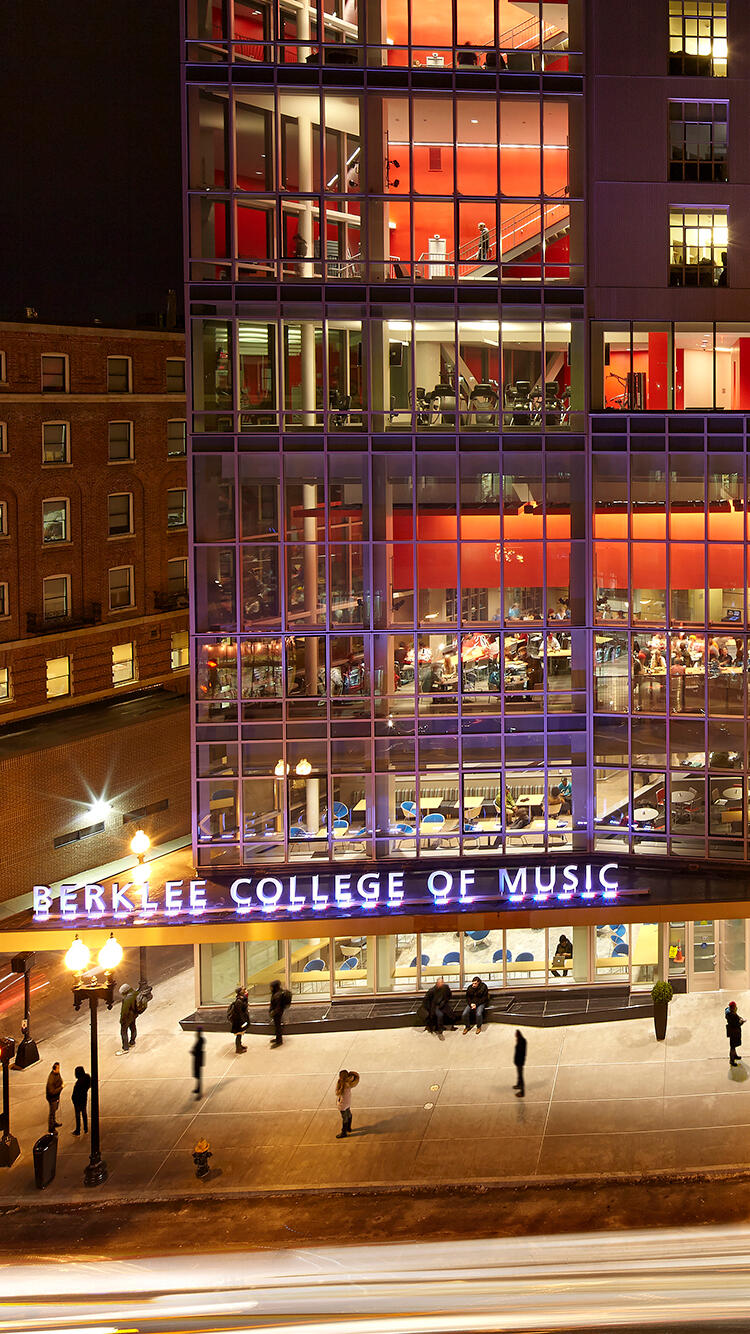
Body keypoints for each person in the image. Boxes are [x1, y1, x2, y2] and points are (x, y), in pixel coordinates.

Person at [335, 1068, 360, 1138]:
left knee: (344, 1117)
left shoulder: (342, 1084)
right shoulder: (350, 1082)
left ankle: (344, 1132)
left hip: (342, 1103)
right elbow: (356, 1075)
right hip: (348, 1101)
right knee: (348, 1113)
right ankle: (349, 1128)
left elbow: (337, 1093)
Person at [269, 979, 292, 1048]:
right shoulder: (278, 992)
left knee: (277, 1026)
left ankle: (279, 1041)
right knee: (277, 1026)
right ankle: (277, 1038)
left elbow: (278, 1006)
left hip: (277, 1013)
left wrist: (273, 1012)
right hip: (277, 1012)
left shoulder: (277, 995)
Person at [117, 984, 139, 1054]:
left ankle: (125, 1048)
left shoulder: (127, 999)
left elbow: (124, 1011)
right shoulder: (136, 993)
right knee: (133, 1027)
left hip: (127, 1017)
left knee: (123, 1032)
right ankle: (132, 1041)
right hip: (134, 1015)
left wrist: (122, 1020)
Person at [228, 986, 250, 1053]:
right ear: (240, 992)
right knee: (239, 1034)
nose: (245, 990)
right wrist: (243, 1022)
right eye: (243, 989)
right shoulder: (238, 1001)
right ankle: (238, 1049)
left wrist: (246, 997)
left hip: (241, 1020)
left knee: (240, 1034)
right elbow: (239, 1013)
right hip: (238, 1021)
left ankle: (240, 1045)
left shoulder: (242, 998)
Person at [71, 1065, 91, 1135]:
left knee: (77, 1115)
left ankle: (78, 1130)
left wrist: (73, 1100)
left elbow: (74, 1094)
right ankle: (86, 1128)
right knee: (84, 1113)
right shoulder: (87, 1077)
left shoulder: (78, 1083)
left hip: (78, 1100)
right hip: (84, 1098)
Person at [46, 1062, 63, 1133]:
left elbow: (59, 1080)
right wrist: (61, 1087)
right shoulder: (51, 1079)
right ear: (54, 1069)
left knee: (55, 1110)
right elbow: (51, 1091)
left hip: (56, 1097)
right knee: (52, 1113)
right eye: (58, 1068)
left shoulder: (57, 1074)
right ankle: (51, 1128)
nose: (59, 1069)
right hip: (52, 1098)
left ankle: (54, 1123)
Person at [726, 1000, 745, 1066]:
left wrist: (739, 1018)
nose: (736, 1008)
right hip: (734, 1031)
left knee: (734, 1045)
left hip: (732, 1030)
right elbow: (736, 1024)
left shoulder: (729, 1012)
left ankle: (735, 1055)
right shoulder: (732, 1015)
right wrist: (742, 1022)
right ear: (732, 1007)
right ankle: (732, 1060)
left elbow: (736, 1017)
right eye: (735, 1007)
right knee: (733, 1046)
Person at [191, 1028, 205, 1099]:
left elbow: (197, 1051)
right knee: (198, 1076)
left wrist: (193, 1052)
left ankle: (199, 1092)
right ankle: (197, 1088)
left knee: (199, 1077)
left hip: (198, 1060)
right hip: (198, 1059)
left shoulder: (200, 1041)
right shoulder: (200, 1040)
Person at [513, 1030, 527, 1098]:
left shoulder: (520, 1042)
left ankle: (522, 1092)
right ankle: (518, 1085)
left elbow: (519, 1053)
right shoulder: (523, 1040)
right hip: (519, 1061)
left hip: (519, 1062)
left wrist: (517, 1061)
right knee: (519, 1075)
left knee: (520, 1076)